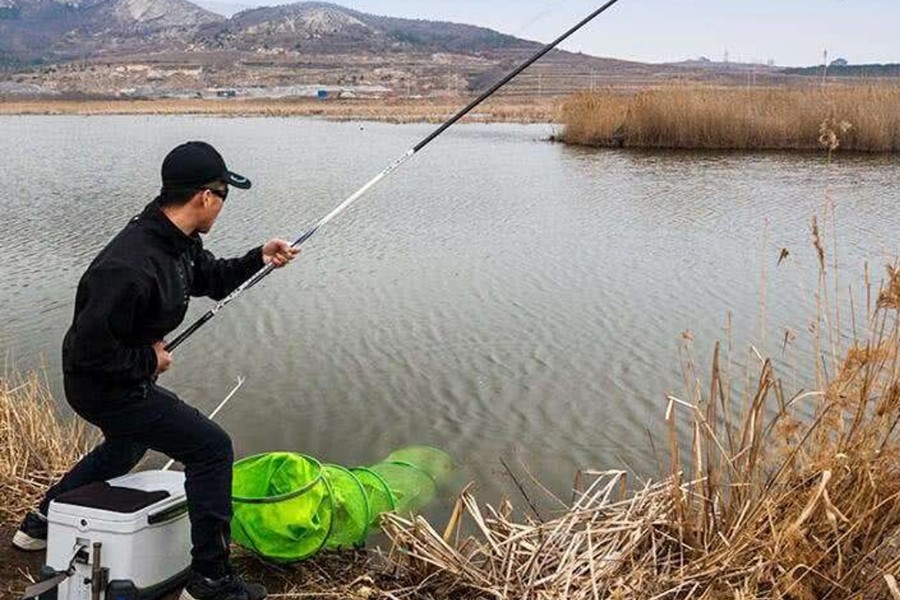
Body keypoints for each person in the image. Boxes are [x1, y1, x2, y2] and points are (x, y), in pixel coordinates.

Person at [12, 141, 299, 600]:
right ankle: (210, 580)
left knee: (128, 444)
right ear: (205, 197)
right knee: (211, 448)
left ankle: (41, 523)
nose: (223, 205)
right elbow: (87, 354)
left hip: (121, 377)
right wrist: (150, 360)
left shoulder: (176, 240)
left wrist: (260, 256)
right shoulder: (129, 265)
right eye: (224, 194)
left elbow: (211, 278)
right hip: (101, 385)